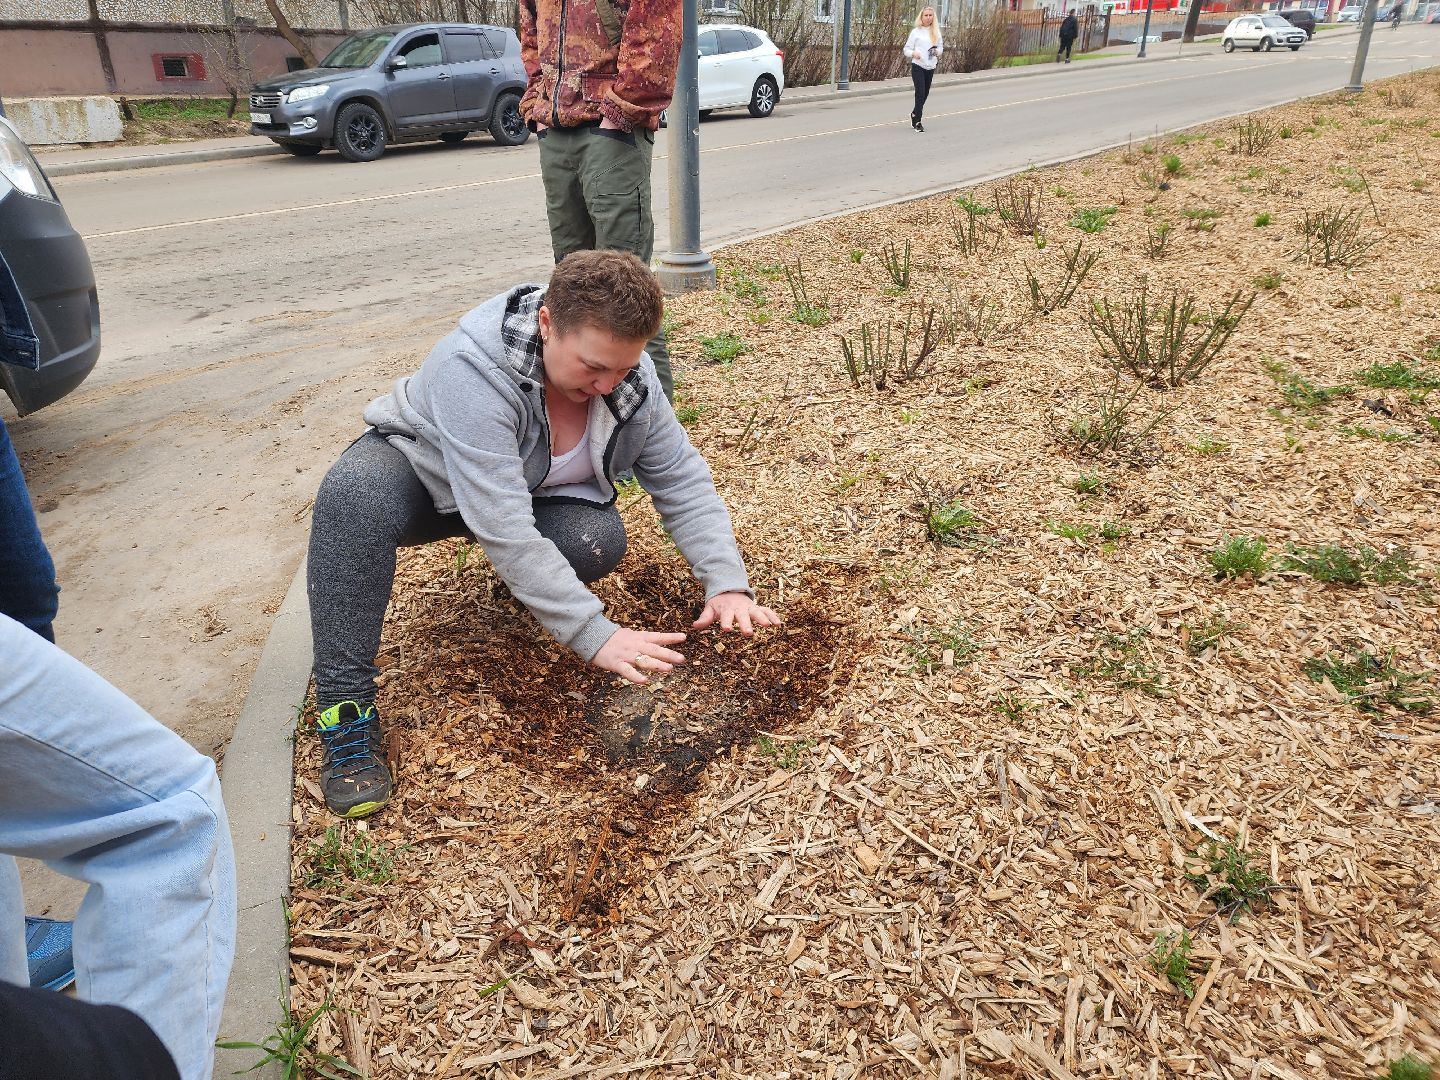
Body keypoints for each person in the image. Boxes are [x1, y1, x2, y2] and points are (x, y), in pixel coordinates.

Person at [305, 250, 782, 819]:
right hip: (424, 477)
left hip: (526, 493)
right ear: (548, 324)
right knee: (352, 498)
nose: (608, 385)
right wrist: (592, 632)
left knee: (594, 539)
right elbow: (502, 524)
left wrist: (727, 582)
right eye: (592, 367)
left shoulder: (630, 380)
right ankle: (345, 708)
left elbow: (680, 478)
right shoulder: (474, 369)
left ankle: (532, 586)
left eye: (623, 369)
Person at [518, 0, 681, 401]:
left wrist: (620, 112)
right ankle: (582, 435)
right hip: (556, 126)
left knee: (627, 290)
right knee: (571, 289)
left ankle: (650, 443)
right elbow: (530, 28)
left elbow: (656, 29)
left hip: (613, 130)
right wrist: (538, 103)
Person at [903, 7, 943, 132]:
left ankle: (914, 113)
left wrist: (937, 51)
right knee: (920, 93)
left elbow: (941, 47)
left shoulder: (936, 31)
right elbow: (906, 49)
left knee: (925, 94)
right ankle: (918, 121)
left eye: (931, 15)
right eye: (926, 15)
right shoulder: (916, 32)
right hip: (918, 66)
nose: (928, 17)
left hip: (930, 66)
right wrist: (913, 53)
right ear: (921, 17)